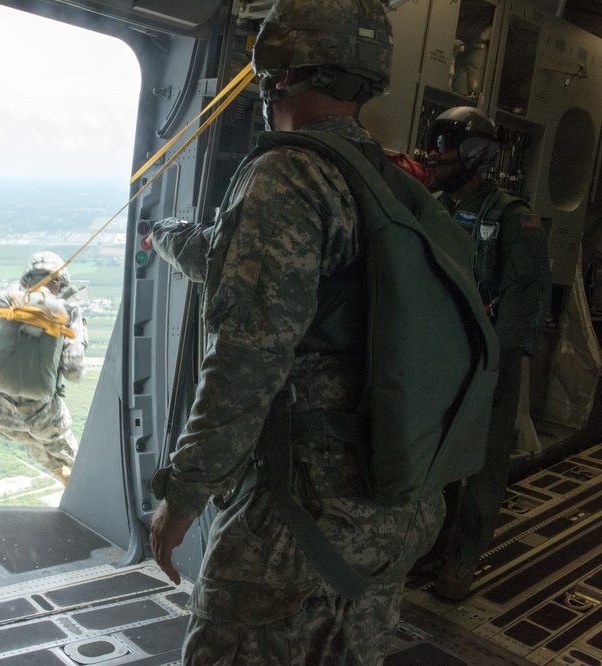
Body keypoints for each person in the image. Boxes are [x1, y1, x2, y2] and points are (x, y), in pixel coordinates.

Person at [147, 1, 448, 663]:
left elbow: (248, 355)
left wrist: (186, 491)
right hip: (396, 506)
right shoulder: (393, 185)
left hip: (300, 520)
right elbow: (275, 274)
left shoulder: (289, 172)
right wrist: (174, 244)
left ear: (275, 68)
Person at [422, 106, 551, 601]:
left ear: (475, 156)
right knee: (440, 458)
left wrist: (497, 360)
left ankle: (463, 561)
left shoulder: (514, 218)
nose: (435, 159)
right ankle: (433, 545)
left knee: (483, 466)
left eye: (445, 150)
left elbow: (526, 295)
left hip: (490, 360)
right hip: (443, 357)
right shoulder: (433, 207)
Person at [0, 251, 88, 485]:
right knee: (75, 460)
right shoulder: (67, 310)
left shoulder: (1, 302)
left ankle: (58, 471)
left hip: (1, 414)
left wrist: (0, 343)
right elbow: (73, 370)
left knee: (31, 442)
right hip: (44, 415)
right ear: (59, 284)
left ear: (26, 280)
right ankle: (84, 493)